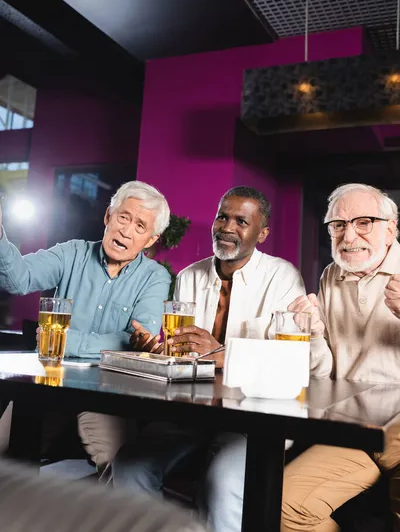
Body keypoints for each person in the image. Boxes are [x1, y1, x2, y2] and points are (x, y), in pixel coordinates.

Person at [113, 185, 305, 531]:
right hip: (190, 413)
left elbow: (291, 361)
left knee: (225, 482)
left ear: (262, 234)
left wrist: (221, 354)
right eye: (222, 216)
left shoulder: (283, 277)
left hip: (254, 420)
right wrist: (160, 350)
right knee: (129, 466)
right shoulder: (188, 276)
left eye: (241, 221)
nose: (227, 227)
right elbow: (181, 353)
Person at [0, 180, 171, 471]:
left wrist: (65, 342)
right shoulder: (72, 253)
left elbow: (133, 340)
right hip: (48, 384)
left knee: (119, 471)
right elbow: (19, 279)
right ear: (108, 217)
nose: (126, 231)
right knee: (5, 449)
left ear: (151, 240)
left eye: (140, 226)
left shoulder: (156, 278)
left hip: (107, 396)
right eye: (123, 217)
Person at [282, 182, 400, 531]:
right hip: (356, 432)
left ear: (391, 229)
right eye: (338, 225)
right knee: (284, 504)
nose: (349, 236)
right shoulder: (331, 277)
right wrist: (314, 336)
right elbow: (326, 371)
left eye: (364, 222)